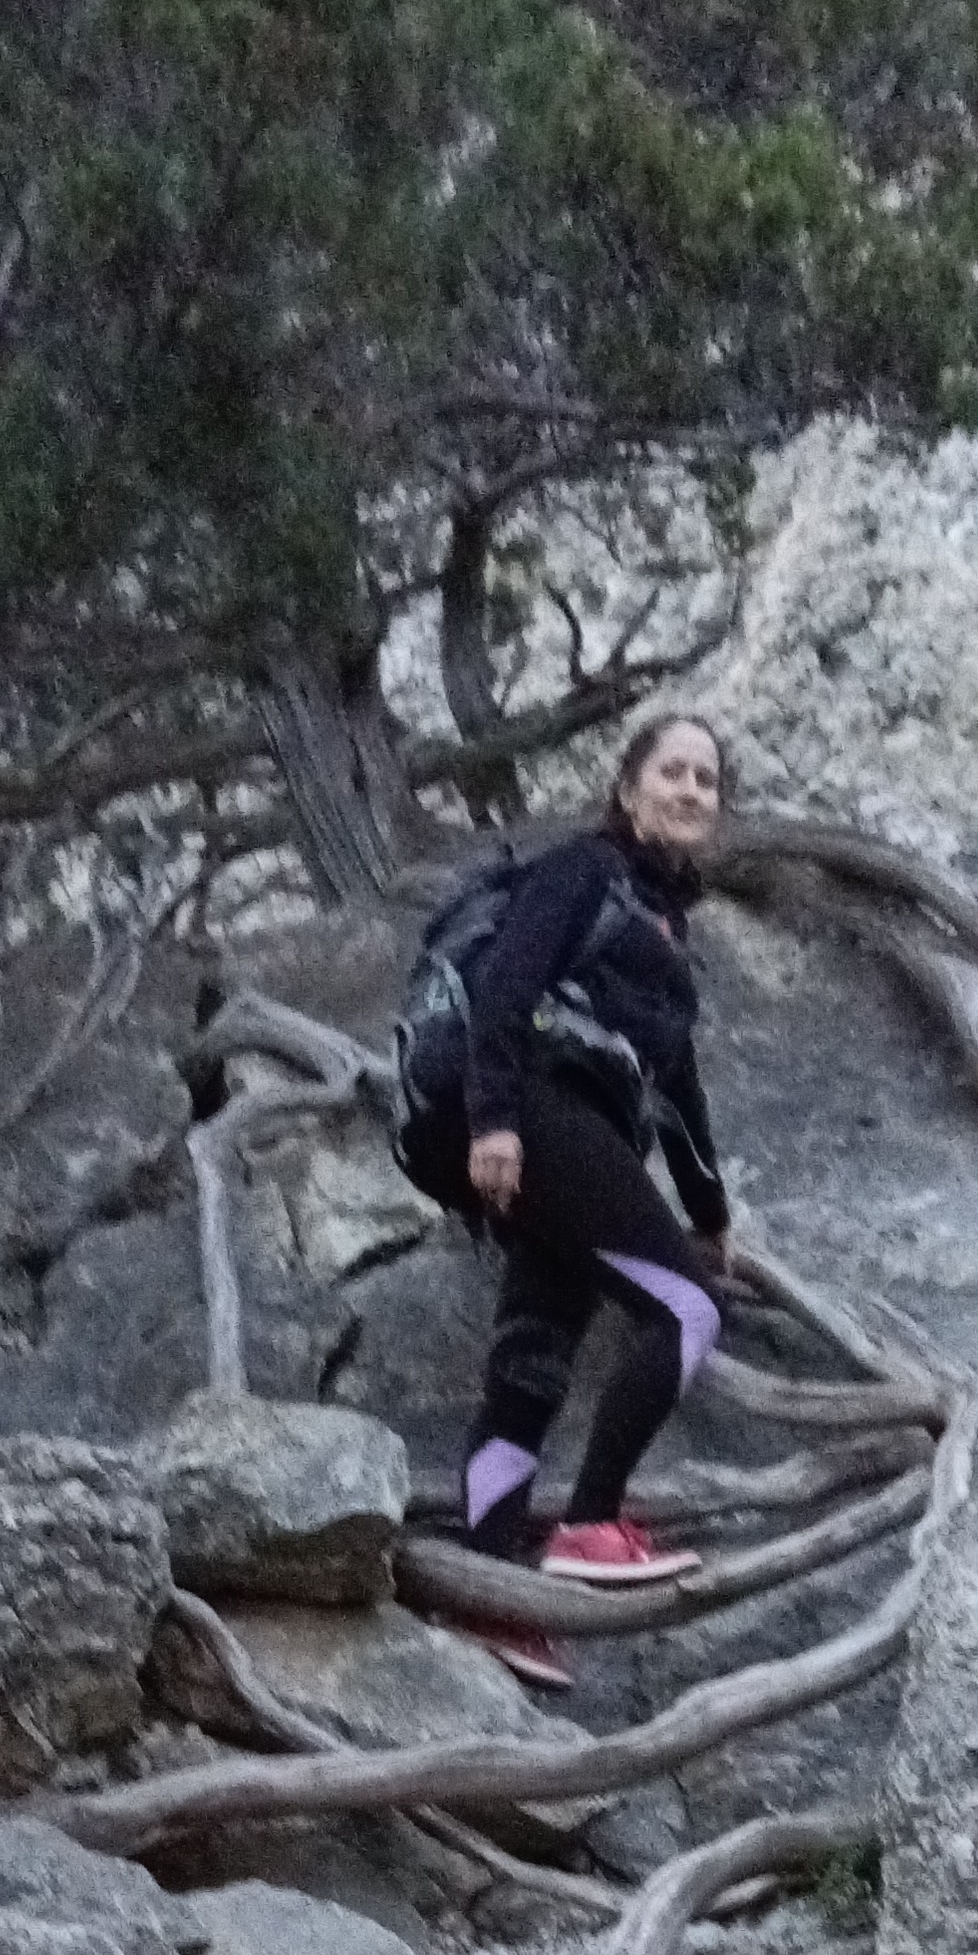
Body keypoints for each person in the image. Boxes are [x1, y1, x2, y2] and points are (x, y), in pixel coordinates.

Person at [403, 712, 736, 1686]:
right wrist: (495, 1117)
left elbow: (677, 1093)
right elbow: (508, 984)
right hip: (535, 1116)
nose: (689, 790)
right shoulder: (583, 871)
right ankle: (591, 1524)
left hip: (569, 1145)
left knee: (531, 1369)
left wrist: (710, 1214)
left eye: (706, 780)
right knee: (686, 1308)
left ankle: (488, 1596)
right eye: (671, 771)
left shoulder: (665, 931)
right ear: (628, 791)